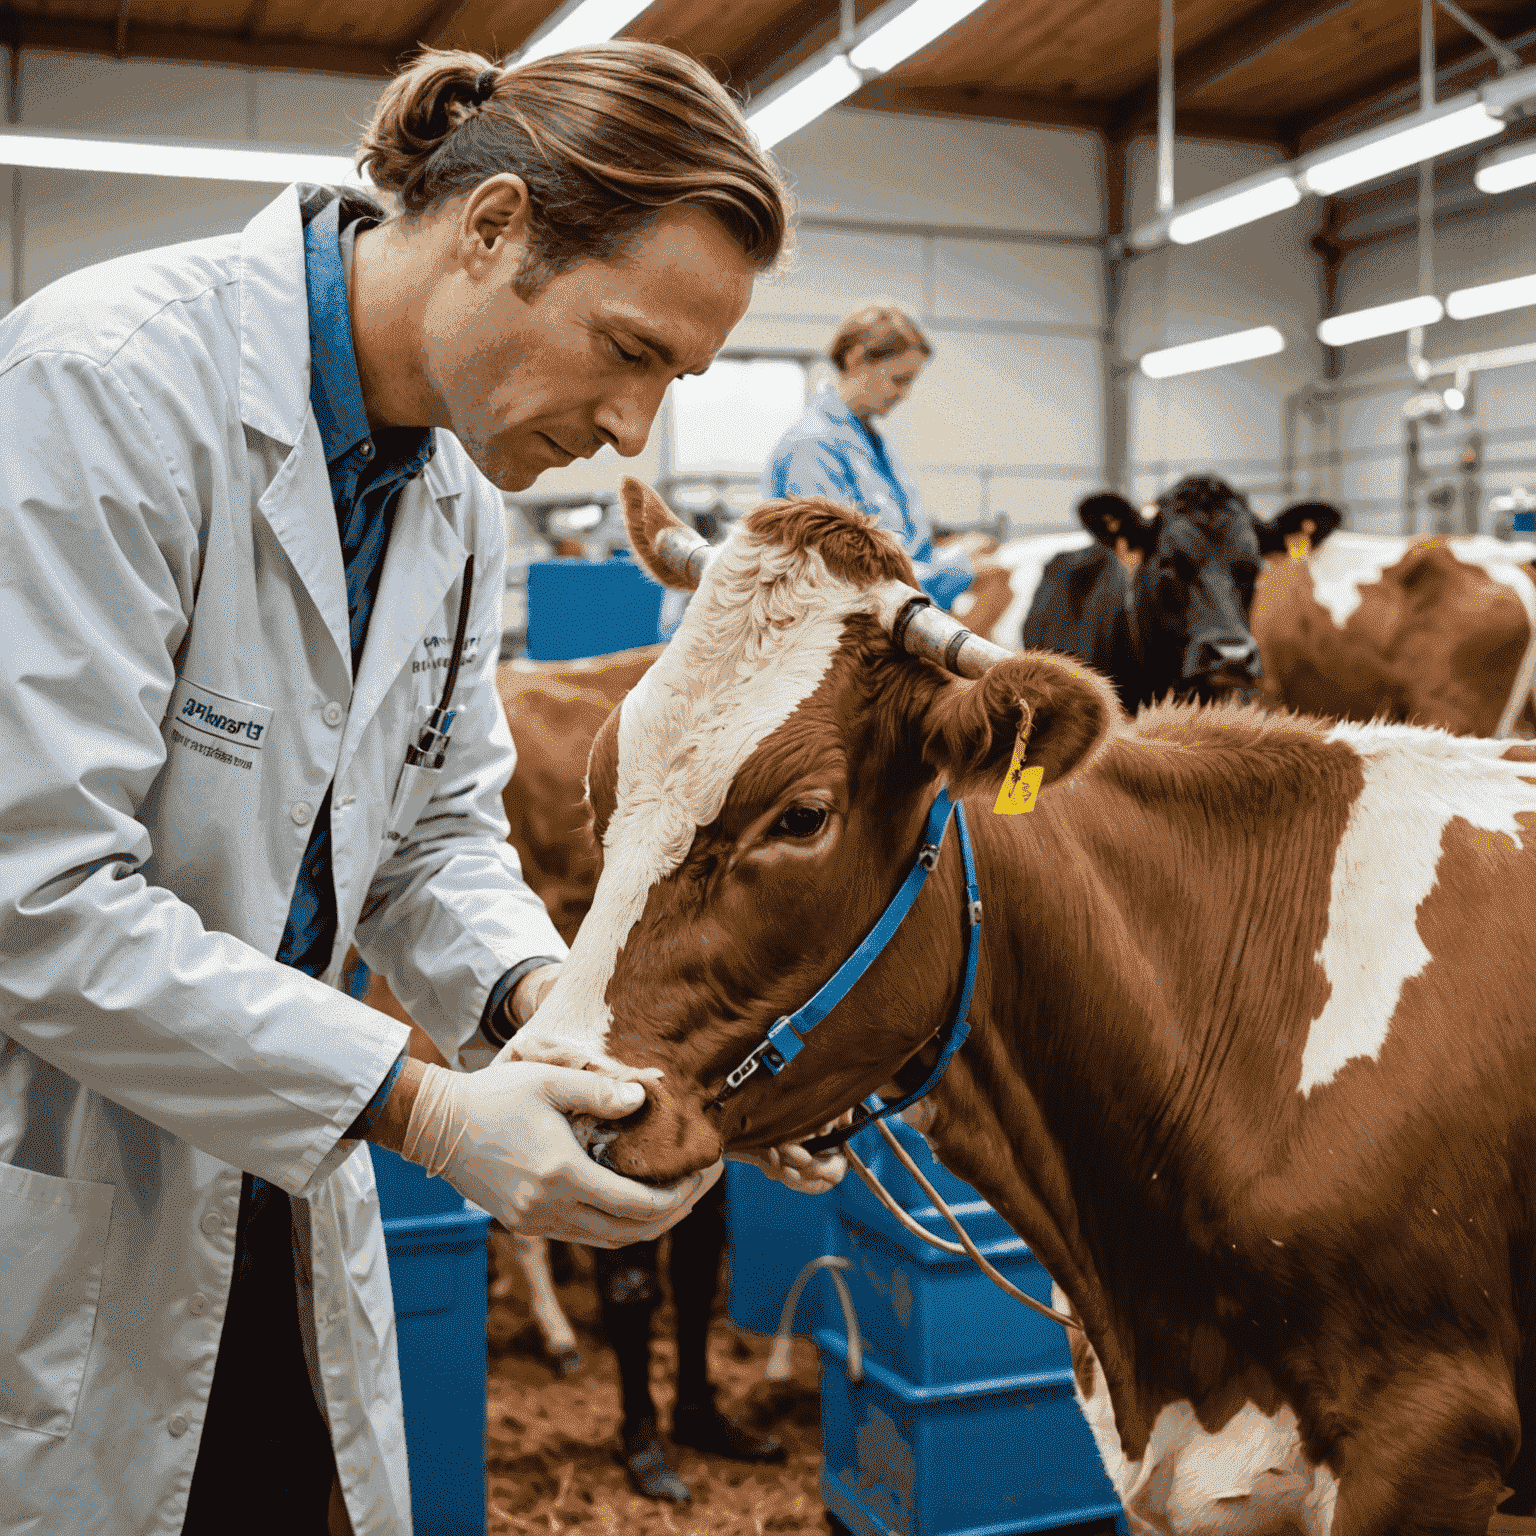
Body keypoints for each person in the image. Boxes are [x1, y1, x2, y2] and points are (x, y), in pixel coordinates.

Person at [0, 41, 792, 1536]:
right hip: (59, 1182)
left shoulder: (449, 483)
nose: (634, 432)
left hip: (273, 1183)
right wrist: (422, 1109)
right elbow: (34, 899)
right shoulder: (103, 391)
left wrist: (546, 1014)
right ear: (492, 229)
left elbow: (432, 837)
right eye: (628, 350)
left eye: (675, 383)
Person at [762, 303, 974, 610]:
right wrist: (957, 569)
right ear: (855, 359)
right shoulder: (813, 447)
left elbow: (911, 547)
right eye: (900, 379)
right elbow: (840, 568)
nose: (904, 393)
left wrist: (956, 556)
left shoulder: (875, 444)